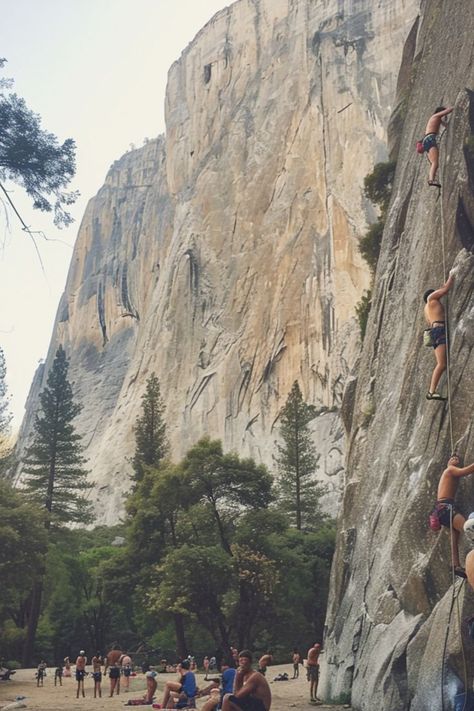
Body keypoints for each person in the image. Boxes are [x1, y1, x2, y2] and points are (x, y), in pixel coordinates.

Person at [431, 453, 474, 577]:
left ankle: (456, 565)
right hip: (446, 508)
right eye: (453, 458)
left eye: (457, 459)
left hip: (443, 510)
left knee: (455, 535)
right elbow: (468, 470)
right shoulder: (450, 470)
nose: (455, 460)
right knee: (466, 528)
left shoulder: (450, 472)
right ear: (448, 462)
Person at [423, 270, 455, 400]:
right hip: (439, 331)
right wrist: (451, 276)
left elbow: (442, 290)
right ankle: (431, 392)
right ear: (431, 294)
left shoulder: (426, 310)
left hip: (434, 333)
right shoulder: (431, 299)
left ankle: (432, 391)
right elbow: (445, 289)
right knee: (441, 364)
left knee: (441, 363)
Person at [422, 106, 453, 187]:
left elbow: (447, 126)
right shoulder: (435, 116)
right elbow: (449, 110)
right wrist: (453, 106)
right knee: (435, 162)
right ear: (440, 112)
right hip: (430, 139)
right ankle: (431, 180)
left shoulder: (437, 119)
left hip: (427, 140)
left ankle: (432, 179)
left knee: (434, 163)